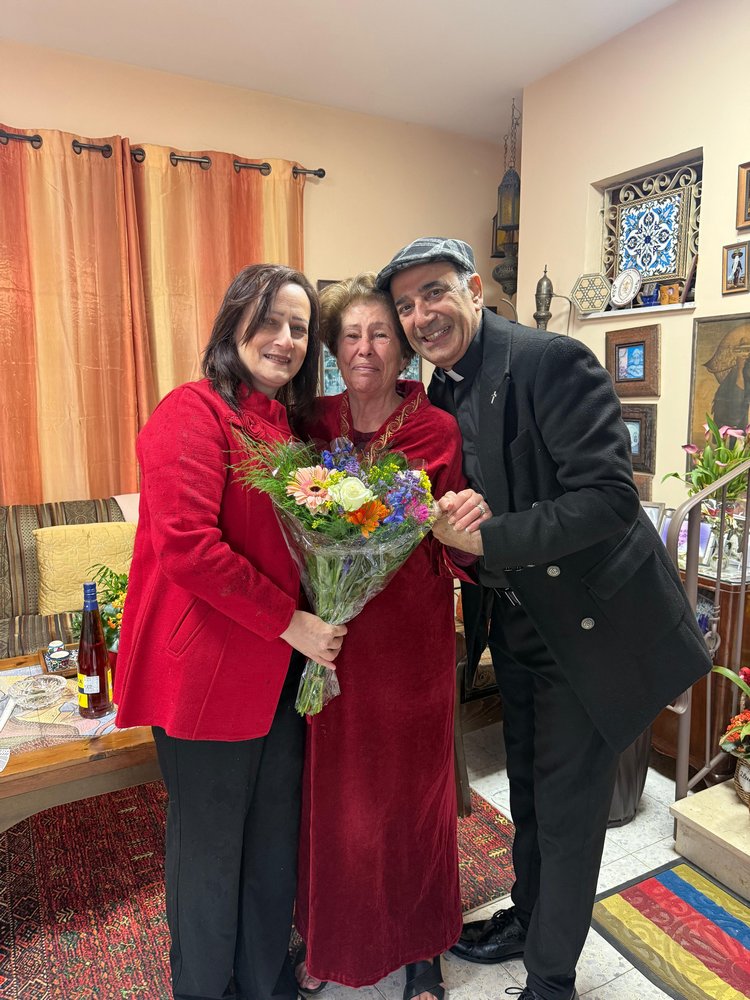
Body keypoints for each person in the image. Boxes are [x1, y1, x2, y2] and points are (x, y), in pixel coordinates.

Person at [375, 237, 713, 1000]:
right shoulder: (439, 391)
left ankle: (551, 981)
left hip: (588, 629)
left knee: (565, 812)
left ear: (473, 289)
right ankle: (529, 921)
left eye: (434, 292)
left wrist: (488, 538)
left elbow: (609, 498)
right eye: (406, 305)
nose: (422, 315)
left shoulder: (550, 361)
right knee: (527, 794)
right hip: (513, 621)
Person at [114, 264, 347, 1000]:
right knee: (211, 856)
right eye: (270, 320)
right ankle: (204, 989)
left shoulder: (288, 431)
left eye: (299, 328)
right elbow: (188, 547)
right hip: (208, 678)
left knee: (272, 842)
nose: (285, 339)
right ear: (233, 324)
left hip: (280, 676)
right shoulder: (190, 411)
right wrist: (294, 622)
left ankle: (265, 982)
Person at [293, 273, 487, 1000]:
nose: (365, 349)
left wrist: (459, 528)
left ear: (402, 347)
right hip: (331, 640)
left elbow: (453, 540)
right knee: (335, 800)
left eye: (380, 334)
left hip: (409, 644)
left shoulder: (434, 428)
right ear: (332, 347)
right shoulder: (312, 423)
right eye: (351, 335)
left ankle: (421, 950)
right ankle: (329, 936)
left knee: (412, 799)